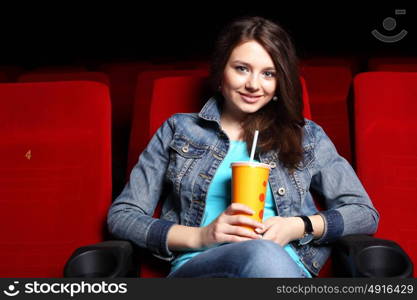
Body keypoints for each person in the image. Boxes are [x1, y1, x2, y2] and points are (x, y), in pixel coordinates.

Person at [107, 16, 379, 278]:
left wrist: (298, 226)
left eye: (268, 74)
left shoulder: (307, 135)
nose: (253, 84)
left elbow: (364, 214)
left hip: (287, 266)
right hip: (200, 268)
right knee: (262, 254)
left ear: (279, 82)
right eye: (241, 68)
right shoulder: (178, 130)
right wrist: (201, 236)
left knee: (266, 255)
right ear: (221, 70)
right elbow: (122, 216)